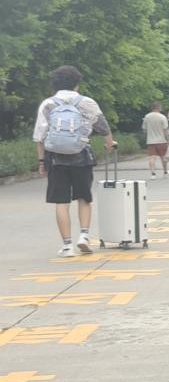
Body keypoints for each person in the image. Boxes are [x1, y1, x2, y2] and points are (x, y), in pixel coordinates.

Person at [33, 65, 116, 256]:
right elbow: (103, 127)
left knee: (61, 201)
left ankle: (67, 245)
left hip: (56, 159)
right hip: (82, 156)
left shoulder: (48, 104)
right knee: (84, 197)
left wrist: (41, 162)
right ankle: (84, 236)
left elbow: (39, 137)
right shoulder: (87, 102)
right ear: (77, 83)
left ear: (54, 84)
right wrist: (110, 144)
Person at [143, 102, 169, 178]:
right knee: (163, 157)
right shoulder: (162, 117)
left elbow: (144, 130)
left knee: (152, 158)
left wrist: (149, 134)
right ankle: (165, 172)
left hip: (151, 141)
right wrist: (168, 140)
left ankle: (153, 174)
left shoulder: (147, 116)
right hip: (161, 140)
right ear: (159, 108)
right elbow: (165, 130)